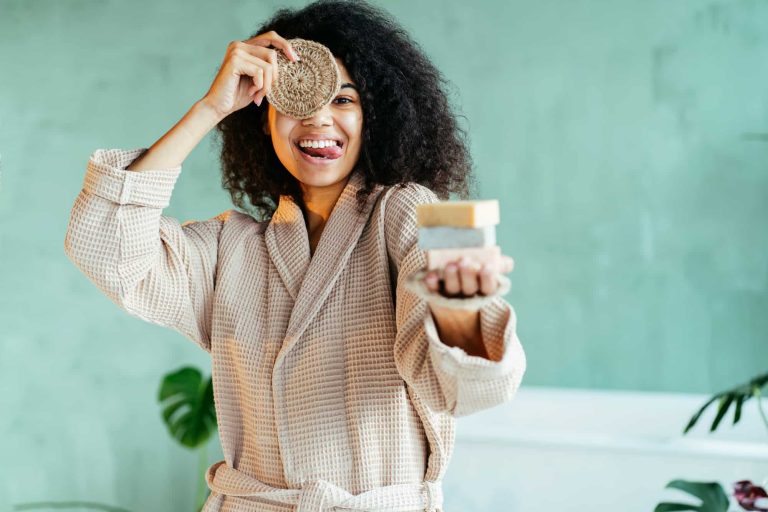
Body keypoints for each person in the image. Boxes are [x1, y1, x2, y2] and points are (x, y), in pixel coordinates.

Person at [63, 0, 527, 510]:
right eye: (295, 101)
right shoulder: (231, 249)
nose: (317, 119)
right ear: (263, 119)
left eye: (344, 100)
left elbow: (465, 389)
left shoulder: (405, 211)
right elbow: (105, 247)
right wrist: (210, 110)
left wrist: (461, 310)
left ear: (376, 116)